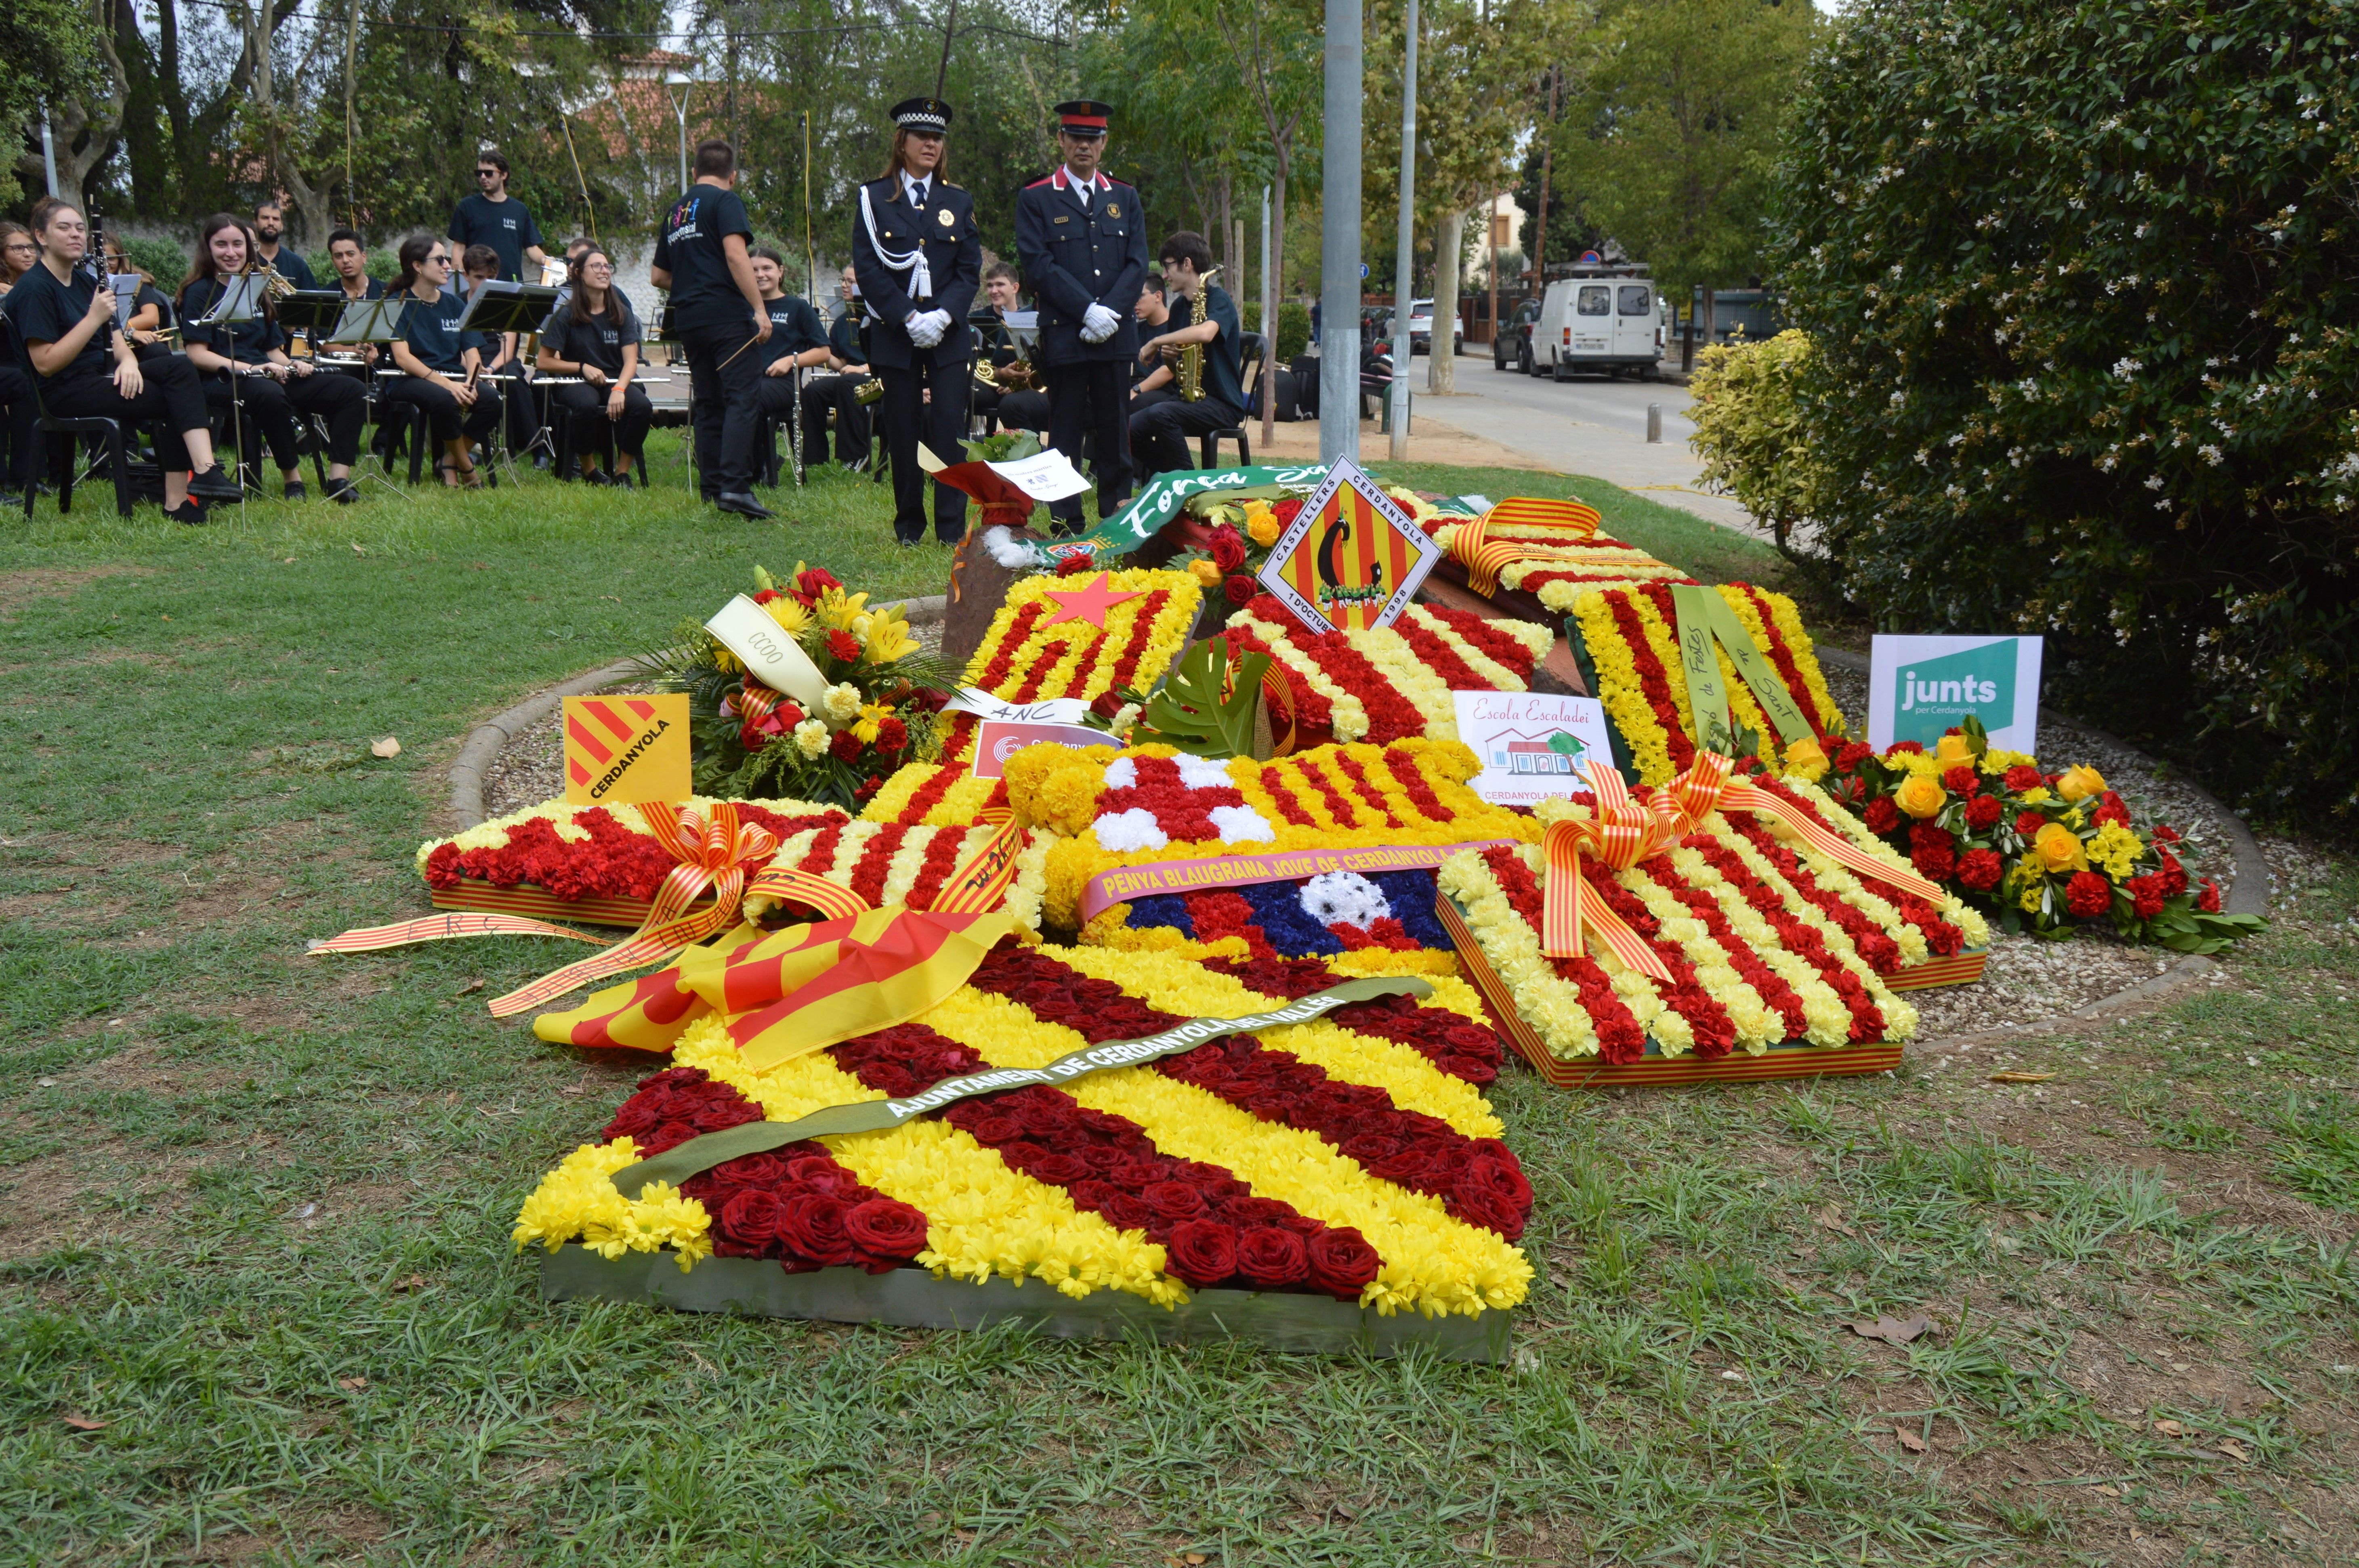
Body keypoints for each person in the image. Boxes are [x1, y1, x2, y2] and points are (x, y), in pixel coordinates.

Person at [9, 197, 242, 522]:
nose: (76, 235)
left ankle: (202, 474)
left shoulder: (85, 280)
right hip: (63, 390)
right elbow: (46, 364)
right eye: (64, 228)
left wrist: (129, 363)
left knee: (177, 366)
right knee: (174, 397)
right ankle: (181, 496)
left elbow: (116, 338)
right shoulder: (35, 289)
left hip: (100, 376)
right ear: (41, 236)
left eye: (80, 228)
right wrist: (92, 319)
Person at [1014, 99, 1147, 535]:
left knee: (1115, 431)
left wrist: (1110, 311)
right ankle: (1065, 521)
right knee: (1066, 434)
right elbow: (1038, 265)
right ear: (1062, 140)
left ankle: (1117, 518)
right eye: (1076, 137)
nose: (1084, 146)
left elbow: (1136, 263)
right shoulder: (1036, 198)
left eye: (1093, 138)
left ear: (1104, 143)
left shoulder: (1125, 197)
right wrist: (1086, 309)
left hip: (1115, 334)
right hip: (1067, 335)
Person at [853, 96, 981, 546]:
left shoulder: (958, 201)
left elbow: (969, 270)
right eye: (922, 136)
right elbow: (868, 268)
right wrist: (908, 316)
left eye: (938, 138)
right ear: (901, 142)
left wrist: (943, 315)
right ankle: (909, 525)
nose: (931, 144)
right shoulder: (873, 199)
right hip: (896, 334)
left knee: (948, 428)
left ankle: (951, 530)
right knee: (902, 430)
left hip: (948, 336)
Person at [178, 213, 369, 503]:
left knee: (351, 390)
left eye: (238, 245)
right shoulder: (198, 291)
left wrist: (292, 364)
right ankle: (293, 479)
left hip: (265, 372)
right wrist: (256, 369)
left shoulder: (257, 288)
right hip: (222, 378)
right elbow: (196, 354)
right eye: (221, 245)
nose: (231, 253)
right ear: (208, 248)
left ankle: (338, 480)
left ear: (249, 248)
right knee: (269, 394)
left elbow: (272, 351)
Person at [652, 137, 775, 518]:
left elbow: (658, 275)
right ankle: (736, 487)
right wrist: (759, 308)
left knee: (708, 401)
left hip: (689, 319)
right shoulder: (726, 201)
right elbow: (737, 254)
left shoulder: (676, 211)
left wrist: (694, 284)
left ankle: (712, 487)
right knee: (742, 396)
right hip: (726, 316)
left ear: (694, 172)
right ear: (733, 176)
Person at [383, 233, 500, 486]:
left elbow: (472, 353)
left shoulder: (455, 304)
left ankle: (448, 460)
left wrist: (471, 382)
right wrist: (449, 385)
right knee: (446, 399)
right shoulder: (397, 303)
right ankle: (466, 468)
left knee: (492, 400)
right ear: (418, 266)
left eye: (447, 259)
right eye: (440, 260)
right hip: (409, 379)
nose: (448, 265)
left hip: (452, 377)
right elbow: (403, 358)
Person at [1129, 230, 1243, 480]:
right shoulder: (1180, 306)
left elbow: (1206, 333)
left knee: (1161, 414)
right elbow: (1175, 366)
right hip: (1189, 398)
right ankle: (1176, 476)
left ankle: (1189, 483)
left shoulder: (1219, 299)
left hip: (1223, 404)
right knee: (1129, 429)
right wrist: (1170, 356)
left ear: (1187, 264)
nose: (1165, 275)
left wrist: (1157, 342)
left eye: (1168, 267)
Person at [534, 243, 649, 485]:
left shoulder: (622, 313)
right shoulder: (566, 314)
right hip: (576, 381)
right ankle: (590, 470)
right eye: (596, 266)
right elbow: (543, 361)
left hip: (613, 380)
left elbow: (631, 361)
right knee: (585, 404)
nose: (604, 271)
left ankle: (622, 473)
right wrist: (581, 367)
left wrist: (619, 389)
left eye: (607, 266)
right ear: (579, 274)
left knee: (642, 406)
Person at [745, 247, 833, 483]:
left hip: (783, 385)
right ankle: (743, 464)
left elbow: (824, 352)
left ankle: (757, 466)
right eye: (753, 270)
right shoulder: (743, 308)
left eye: (767, 268)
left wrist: (790, 361)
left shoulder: (798, 308)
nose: (760, 274)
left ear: (781, 272)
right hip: (746, 379)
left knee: (751, 397)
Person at [798, 264, 873, 469]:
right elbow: (841, 364)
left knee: (847, 383)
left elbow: (889, 358)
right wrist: (821, 349)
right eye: (843, 280)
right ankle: (815, 458)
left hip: (880, 381)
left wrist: (862, 369)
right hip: (851, 380)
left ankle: (856, 456)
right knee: (813, 391)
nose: (844, 286)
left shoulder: (882, 318)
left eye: (851, 282)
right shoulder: (842, 322)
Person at [447, 150, 549, 284]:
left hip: (512, 285)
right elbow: (459, 249)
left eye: (489, 173)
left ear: (504, 175)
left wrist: (548, 263)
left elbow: (532, 247)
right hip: (478, 285)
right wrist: (458, 283)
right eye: (479, 173)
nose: (483, 177)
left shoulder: (520, 210)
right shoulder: (467, 206)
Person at [972, 261, 1048, 433]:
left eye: (1000, 285)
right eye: (990, 286)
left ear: (1015, 288)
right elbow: (998, 370)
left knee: (1012, 405)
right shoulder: (1013, 321)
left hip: (1042, 390)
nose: (994, 291)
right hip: (998, 387)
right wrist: (1006, 377)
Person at [0, 219, 40, 503]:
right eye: (18, 248)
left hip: (20, 363)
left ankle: (25, 475)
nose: (27, 253)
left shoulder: (38, 281)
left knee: (27, 382)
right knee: (20, 382)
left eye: (30, 247)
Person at [1129, 272, 1179, 414]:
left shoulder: (1175, 328)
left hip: (1164, 391)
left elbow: (1168, 371)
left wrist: (1136, 391)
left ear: (1158, 296)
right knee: (1098, 399)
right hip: (1137, 384)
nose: (1135, 302)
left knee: (1132, 405)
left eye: (1140, 296)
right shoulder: (1137, 329)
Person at [252, 200, 320, 291]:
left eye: (276, 219)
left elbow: (313, 301)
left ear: (282, 226)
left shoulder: (298, 264)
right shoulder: (245, 260)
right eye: (265, 218)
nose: (271, 223)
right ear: (255, 222)